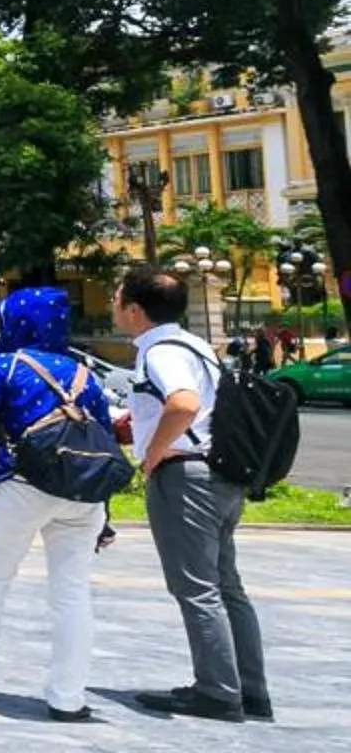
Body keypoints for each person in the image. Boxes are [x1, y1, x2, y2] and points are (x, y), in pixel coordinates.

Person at [0, 287, 111, 724]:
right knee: (72, 593)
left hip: (17, 486)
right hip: (80, 495)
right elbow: (101, 441)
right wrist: (105, 514)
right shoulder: (83, 372)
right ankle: (68, 697)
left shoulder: (5, 365)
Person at [120, 266, 272, 722]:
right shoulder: (196, 345)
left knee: (197, 589)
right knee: (227, 586)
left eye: (117, 298)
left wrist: (153, 454)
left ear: (134, 309)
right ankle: (249, 689)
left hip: (185, 477)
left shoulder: (161, 351)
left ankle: (217, 692)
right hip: (220, 473)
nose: (113, 306)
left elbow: (183, 404)